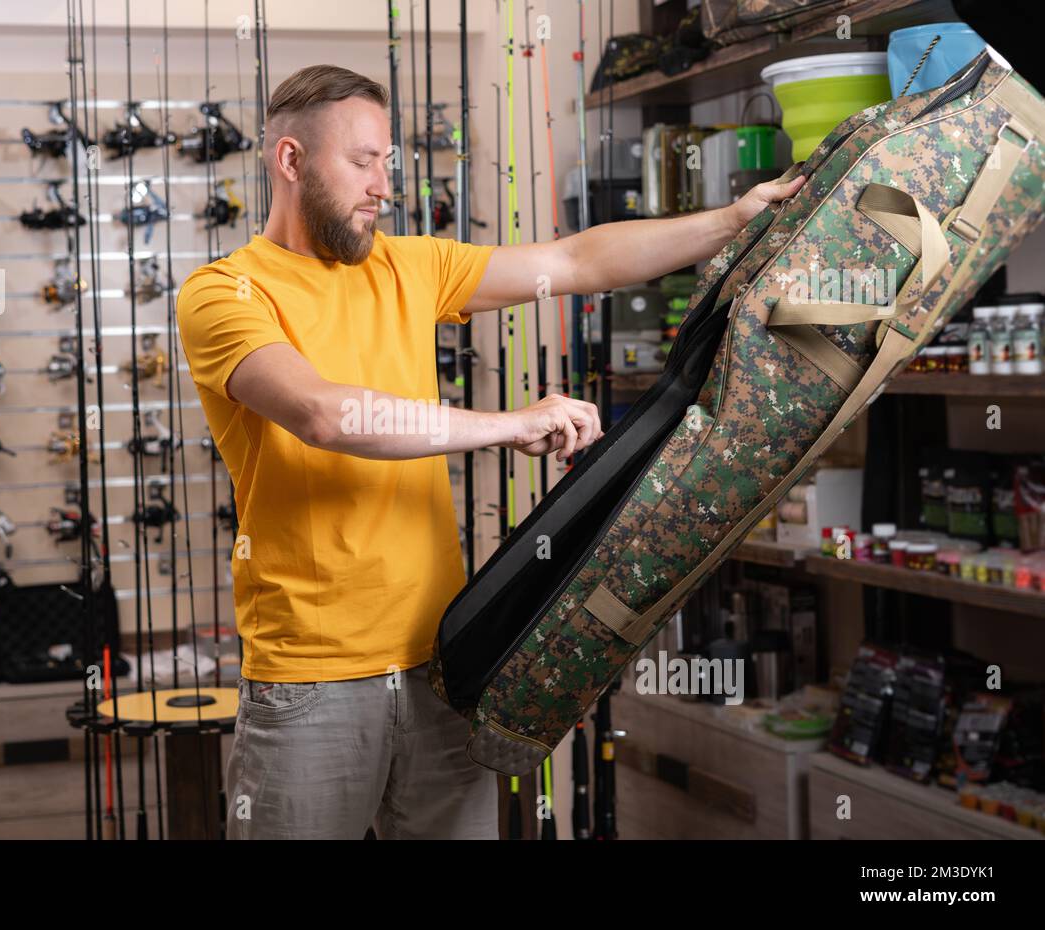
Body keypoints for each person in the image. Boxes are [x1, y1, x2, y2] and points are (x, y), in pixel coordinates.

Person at [176, 64, 805, 839]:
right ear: (292, 161)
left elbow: (575, 263)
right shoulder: (224, 292)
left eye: (389, 162)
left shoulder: (410, 265)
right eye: (363, 161)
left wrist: (733, 221)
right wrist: (508, 424)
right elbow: (321, 414)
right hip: (311, 682)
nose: (384, 185)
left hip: (443, 663)